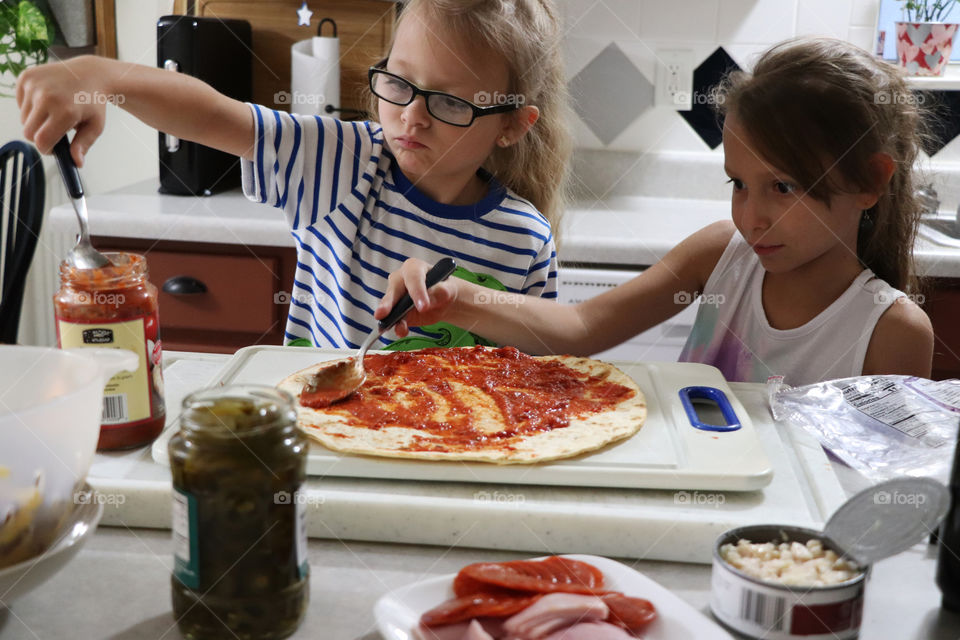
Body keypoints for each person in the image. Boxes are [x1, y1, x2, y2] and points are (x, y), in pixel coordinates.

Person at [16, 0, 572, 349]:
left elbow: (544, 366)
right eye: (399, 83)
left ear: (511, 125)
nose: (411, 115)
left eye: (450, 103)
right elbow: (217, 115)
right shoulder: (342, 162)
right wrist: (99, 75)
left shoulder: (524, 240)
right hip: (322, 436)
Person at [379, 38, 935, 386]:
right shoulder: (721, 256)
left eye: (783, 187)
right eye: (738, 184)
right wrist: (459, 296)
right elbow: (580, 327)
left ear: (869, 182)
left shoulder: (891, 330)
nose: (753, 216)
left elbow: (874, 489)